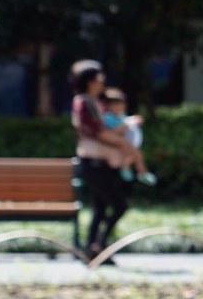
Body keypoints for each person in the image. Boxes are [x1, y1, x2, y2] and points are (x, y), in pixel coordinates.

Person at [69, 60, 140, 262]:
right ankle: (99, 244)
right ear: (90, 80)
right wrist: (126, 145)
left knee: (100, 208)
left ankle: (93, 250)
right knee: (119, 205)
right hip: (94, 162)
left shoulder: (93, 102)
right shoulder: (84, 102)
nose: (102, 80)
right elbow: (99, 133)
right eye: (99, 76)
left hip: (101, 161)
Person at [101, 87, 157, 186]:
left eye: (122, 104)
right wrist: (127, 124)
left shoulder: (122, 116)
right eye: (116, 104)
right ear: (107, 106)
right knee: (136, 155)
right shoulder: (107, 117)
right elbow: (114, 132)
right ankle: (140, 172)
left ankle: (129, 169)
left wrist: (135, 121)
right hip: (118, 145)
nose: (119, 107)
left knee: (136, 156)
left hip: (129, 144)